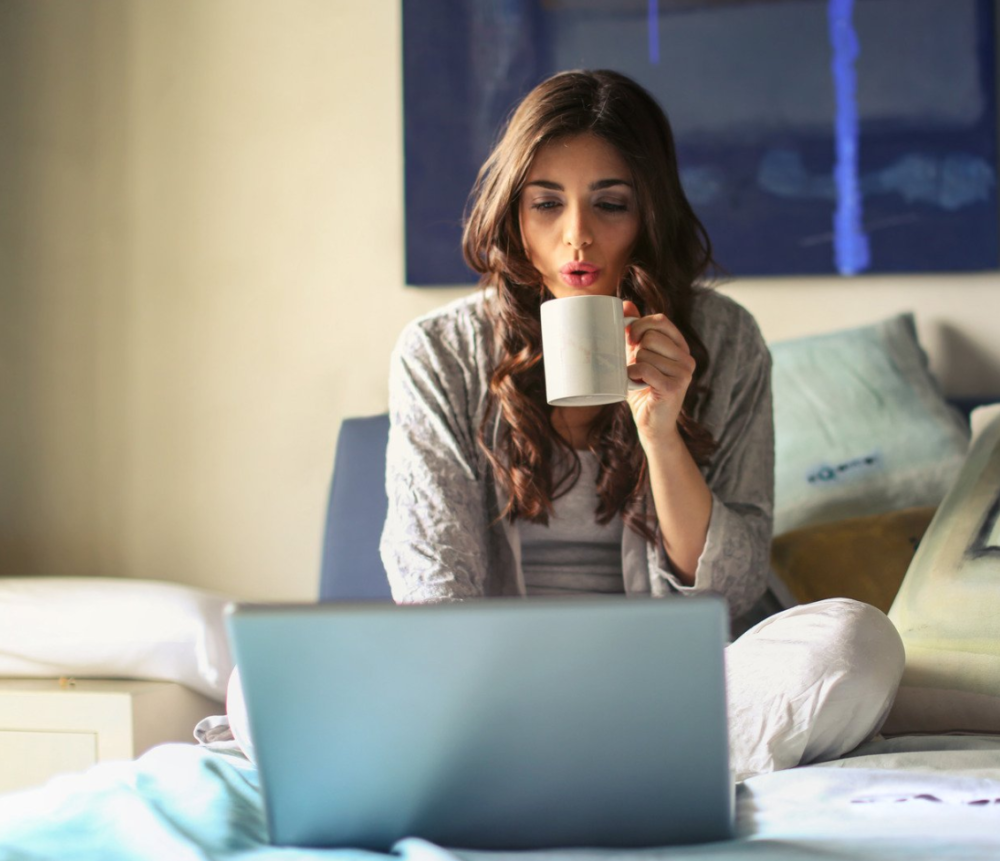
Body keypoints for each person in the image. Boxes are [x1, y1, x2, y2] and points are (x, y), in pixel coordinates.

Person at [231, 69, 903, 781]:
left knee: (858, 643)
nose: (577, 236)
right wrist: (483, 690)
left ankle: (531, 766)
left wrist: (661, 430)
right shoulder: (440, 353)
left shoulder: (725, 342)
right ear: (513, 215)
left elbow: (730, 589)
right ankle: (613, 763)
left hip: (671, 687)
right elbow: (432, 584)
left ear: (651, 213)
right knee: (259, 687)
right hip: (490, 687)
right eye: (546, 203)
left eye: (609, 204)